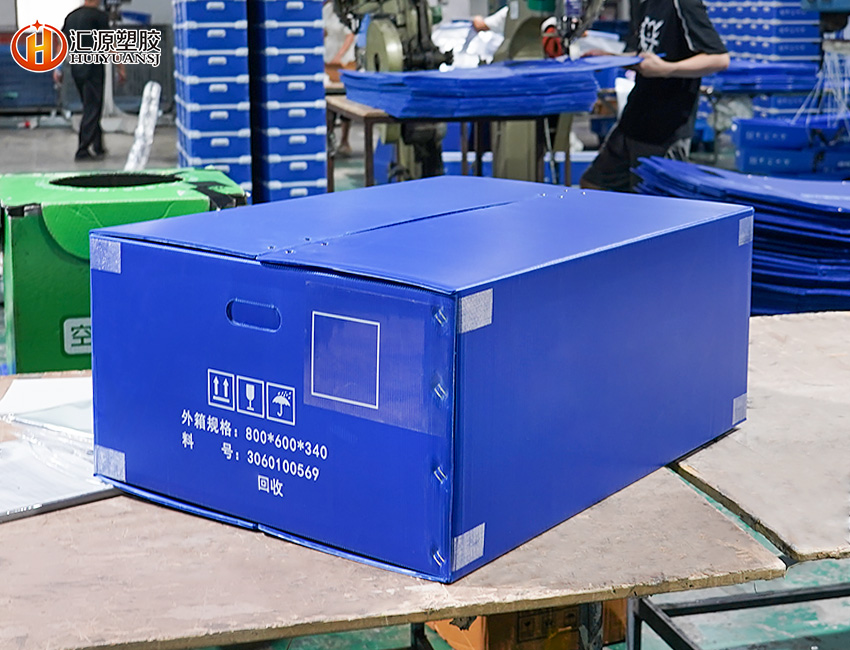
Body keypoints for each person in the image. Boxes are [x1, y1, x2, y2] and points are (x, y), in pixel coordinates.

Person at [579, 0, 729, 192]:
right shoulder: (640, 3)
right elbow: (643, 55)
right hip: (633, 121)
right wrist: (608, 57)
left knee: (655, 205)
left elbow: (719, 59)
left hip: (666, 129)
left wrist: (667, 69)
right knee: (592, 184)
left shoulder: (682, 3)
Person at [53, 0, 126, 162]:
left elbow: (62, 43)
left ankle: (98, 146)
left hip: (77, 69)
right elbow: (109, 43)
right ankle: (83, 149)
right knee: (93, 108)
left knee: (91, 106)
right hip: (93, 69)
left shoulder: (71, 16)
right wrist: (120, 68)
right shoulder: (99, 16)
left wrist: (57, 68)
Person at [323, 0, 356, 156]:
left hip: (344, 61)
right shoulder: (327, 9)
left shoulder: (346, 9)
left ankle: (345, 141)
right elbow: (323, 30)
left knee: (344, 103)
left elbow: (350, 35)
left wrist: (339, 55)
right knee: (329, 103)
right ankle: (330, 140)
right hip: (329, 60)